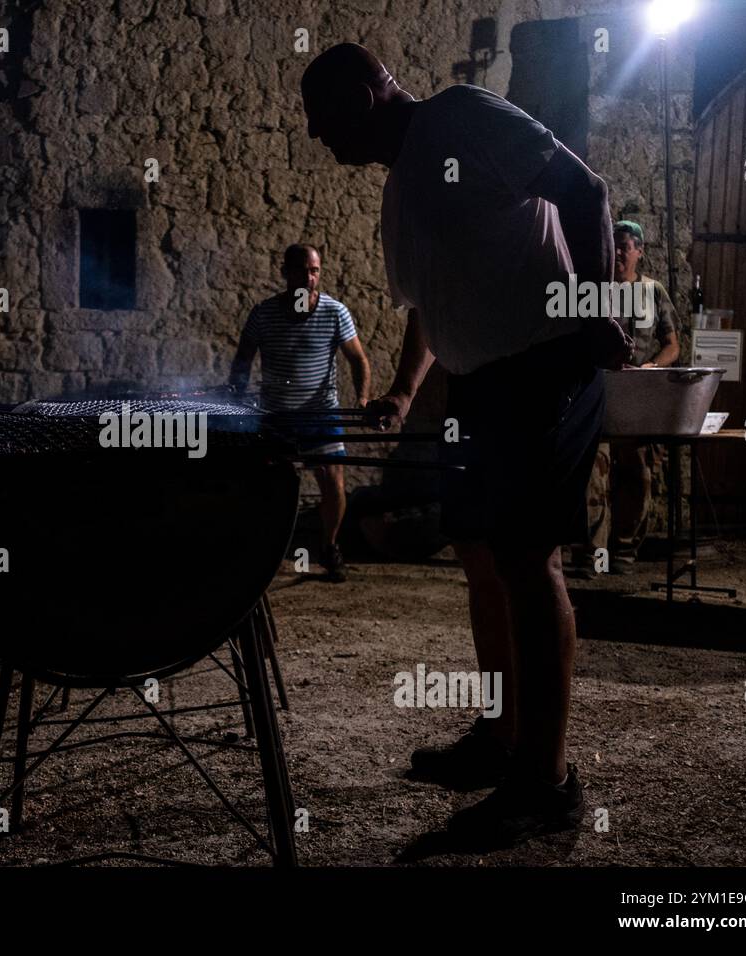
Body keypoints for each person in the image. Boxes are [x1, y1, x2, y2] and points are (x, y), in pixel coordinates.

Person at [301, 43, 631, 848]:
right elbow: (427, 305)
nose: (319, 140)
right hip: (481, 386)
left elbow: (583, 188)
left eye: (325, 121)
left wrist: (594, 308)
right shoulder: (400, 188)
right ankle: (502, 735)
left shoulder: (460, 116)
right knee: (482, 557)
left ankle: (545, 785)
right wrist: (409, 391)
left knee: (528, 561)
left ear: (369, 94)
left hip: (543, 368)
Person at [229, 244, 372, 582]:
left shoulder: (335, 312)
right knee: (272, 486)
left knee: (334, 481)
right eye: (302, 271)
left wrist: (364, 399)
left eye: (314, 271)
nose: (309, 278)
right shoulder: (263, 314)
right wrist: (236, 393)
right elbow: (243, 358)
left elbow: (359, 360)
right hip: (277, 416)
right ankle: (270, 551)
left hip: (321, 414)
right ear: (285, 273)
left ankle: (330, 547)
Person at [577, 220, 680, 575]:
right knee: (593, 475)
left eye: (625, 246)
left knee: (638, 475)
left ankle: (624, 550)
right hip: (600, 399)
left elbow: (672, 346)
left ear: (639, 251)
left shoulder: (653, 292)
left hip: (638, 403)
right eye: (614, 245)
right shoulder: (595, 292)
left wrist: (651, 368)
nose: (619, 253)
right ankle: (594, 554)